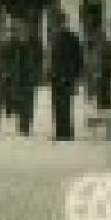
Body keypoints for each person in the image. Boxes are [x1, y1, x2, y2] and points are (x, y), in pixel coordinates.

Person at [48, 10, 85, 141]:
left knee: (64, 104)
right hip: (57, 77)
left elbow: (79, 59)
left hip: (66, 76)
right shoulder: (55, 38)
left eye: (57, 22)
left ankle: (65, 132)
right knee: (58, 104)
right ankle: (60, 131)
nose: (55, 25)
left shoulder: (71, 38)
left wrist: (76, 77)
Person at [4, 16, 40, 135]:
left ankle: (25, 126)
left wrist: (36, 73)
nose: (17, 31)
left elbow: (38, 60)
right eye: (15, 29)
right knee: (18, 101)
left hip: (28, 77)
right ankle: (21, 124)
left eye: (20, 28)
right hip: (16, 77)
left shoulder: (34, 43)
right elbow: (7, 60)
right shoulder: (12, 44)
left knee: (28, 102)